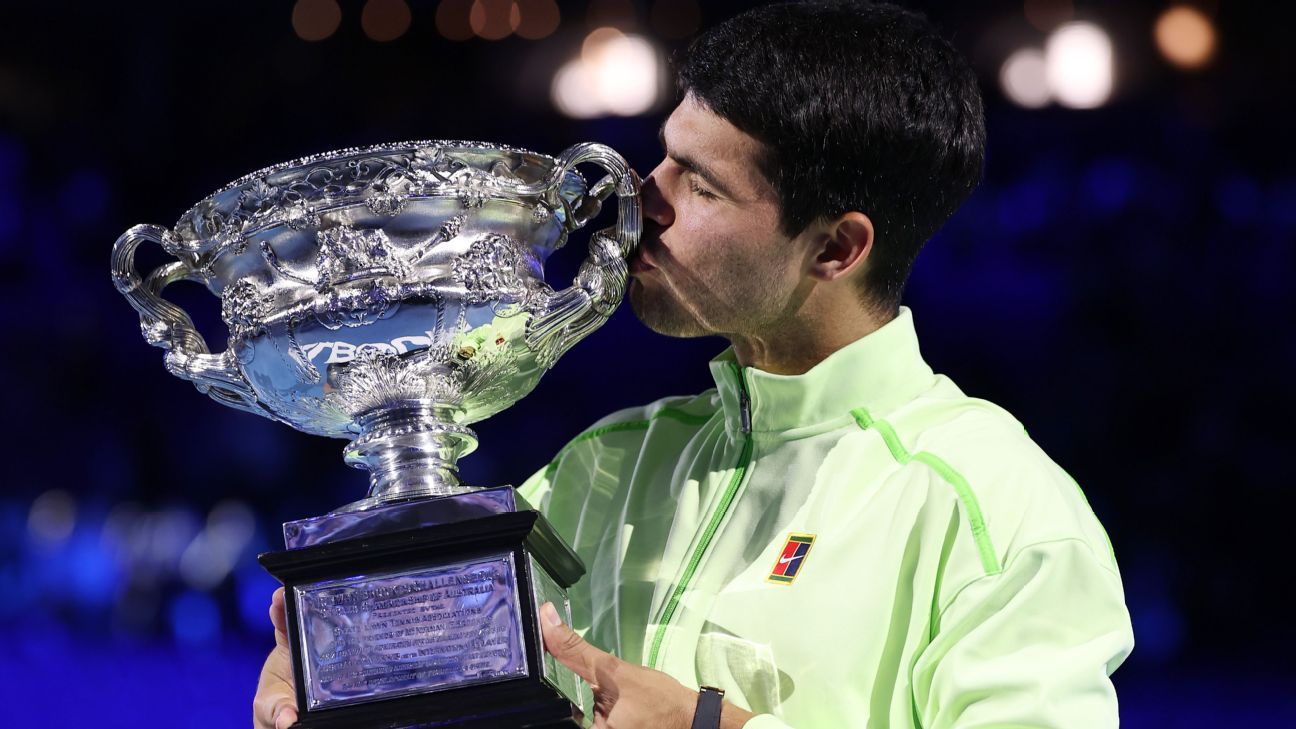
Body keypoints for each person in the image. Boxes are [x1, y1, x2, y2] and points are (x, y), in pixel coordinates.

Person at [254, 2, 1134, 727]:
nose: (642, 199)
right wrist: (344, 660)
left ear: (837, 247)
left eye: (701, 184)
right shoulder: (602, 468)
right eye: (664, 155)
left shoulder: (997, 508)